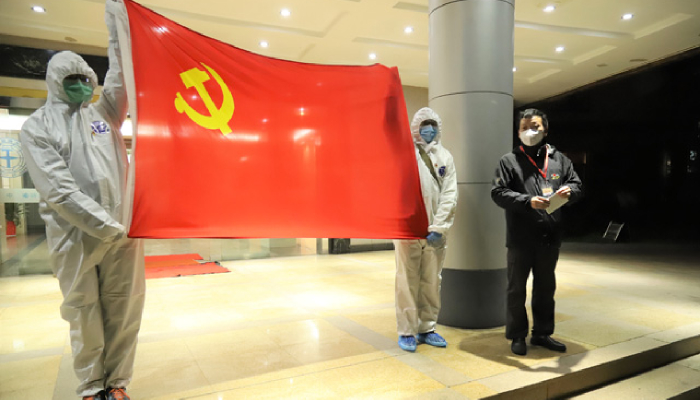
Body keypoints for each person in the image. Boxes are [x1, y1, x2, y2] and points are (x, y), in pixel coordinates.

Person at [20, 1, 144, 399]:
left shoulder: (105, 114)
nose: (80, 84)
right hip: (76, 237)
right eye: (72, 78)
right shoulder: (37, 127)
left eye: (85, 77)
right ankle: (91, 385)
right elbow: (58, 190)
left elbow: (121, 70)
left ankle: (118, 382)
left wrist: (117, 17)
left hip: (122, 234)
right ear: (56, 81)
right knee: (82, 309)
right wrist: (109, 227)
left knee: (125, 307)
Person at [491, 108, 582, 356]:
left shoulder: (559, 160)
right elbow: (497, 193)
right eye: (524, 128)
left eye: (535, 126)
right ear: (518, 131)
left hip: (549, 237)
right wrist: (527, 201)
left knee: (545, 289)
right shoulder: (509, 161)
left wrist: (571, 192)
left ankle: (542, 333)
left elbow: (576, 184)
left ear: (546, 129)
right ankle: (517, 335)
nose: (530, 131)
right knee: (516, 289)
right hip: (520, 238)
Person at [394, 107, 458, 352]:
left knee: (432, 280)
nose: (428, 130)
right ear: (415, 128)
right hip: (407, 230)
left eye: (432, 125)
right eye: (424, 126)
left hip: (435, 232)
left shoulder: (445, 157)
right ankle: (407, 331)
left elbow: (450, 194)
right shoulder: (404, 154)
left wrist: (439, 226)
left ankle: (427, 328)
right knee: (406, 281)